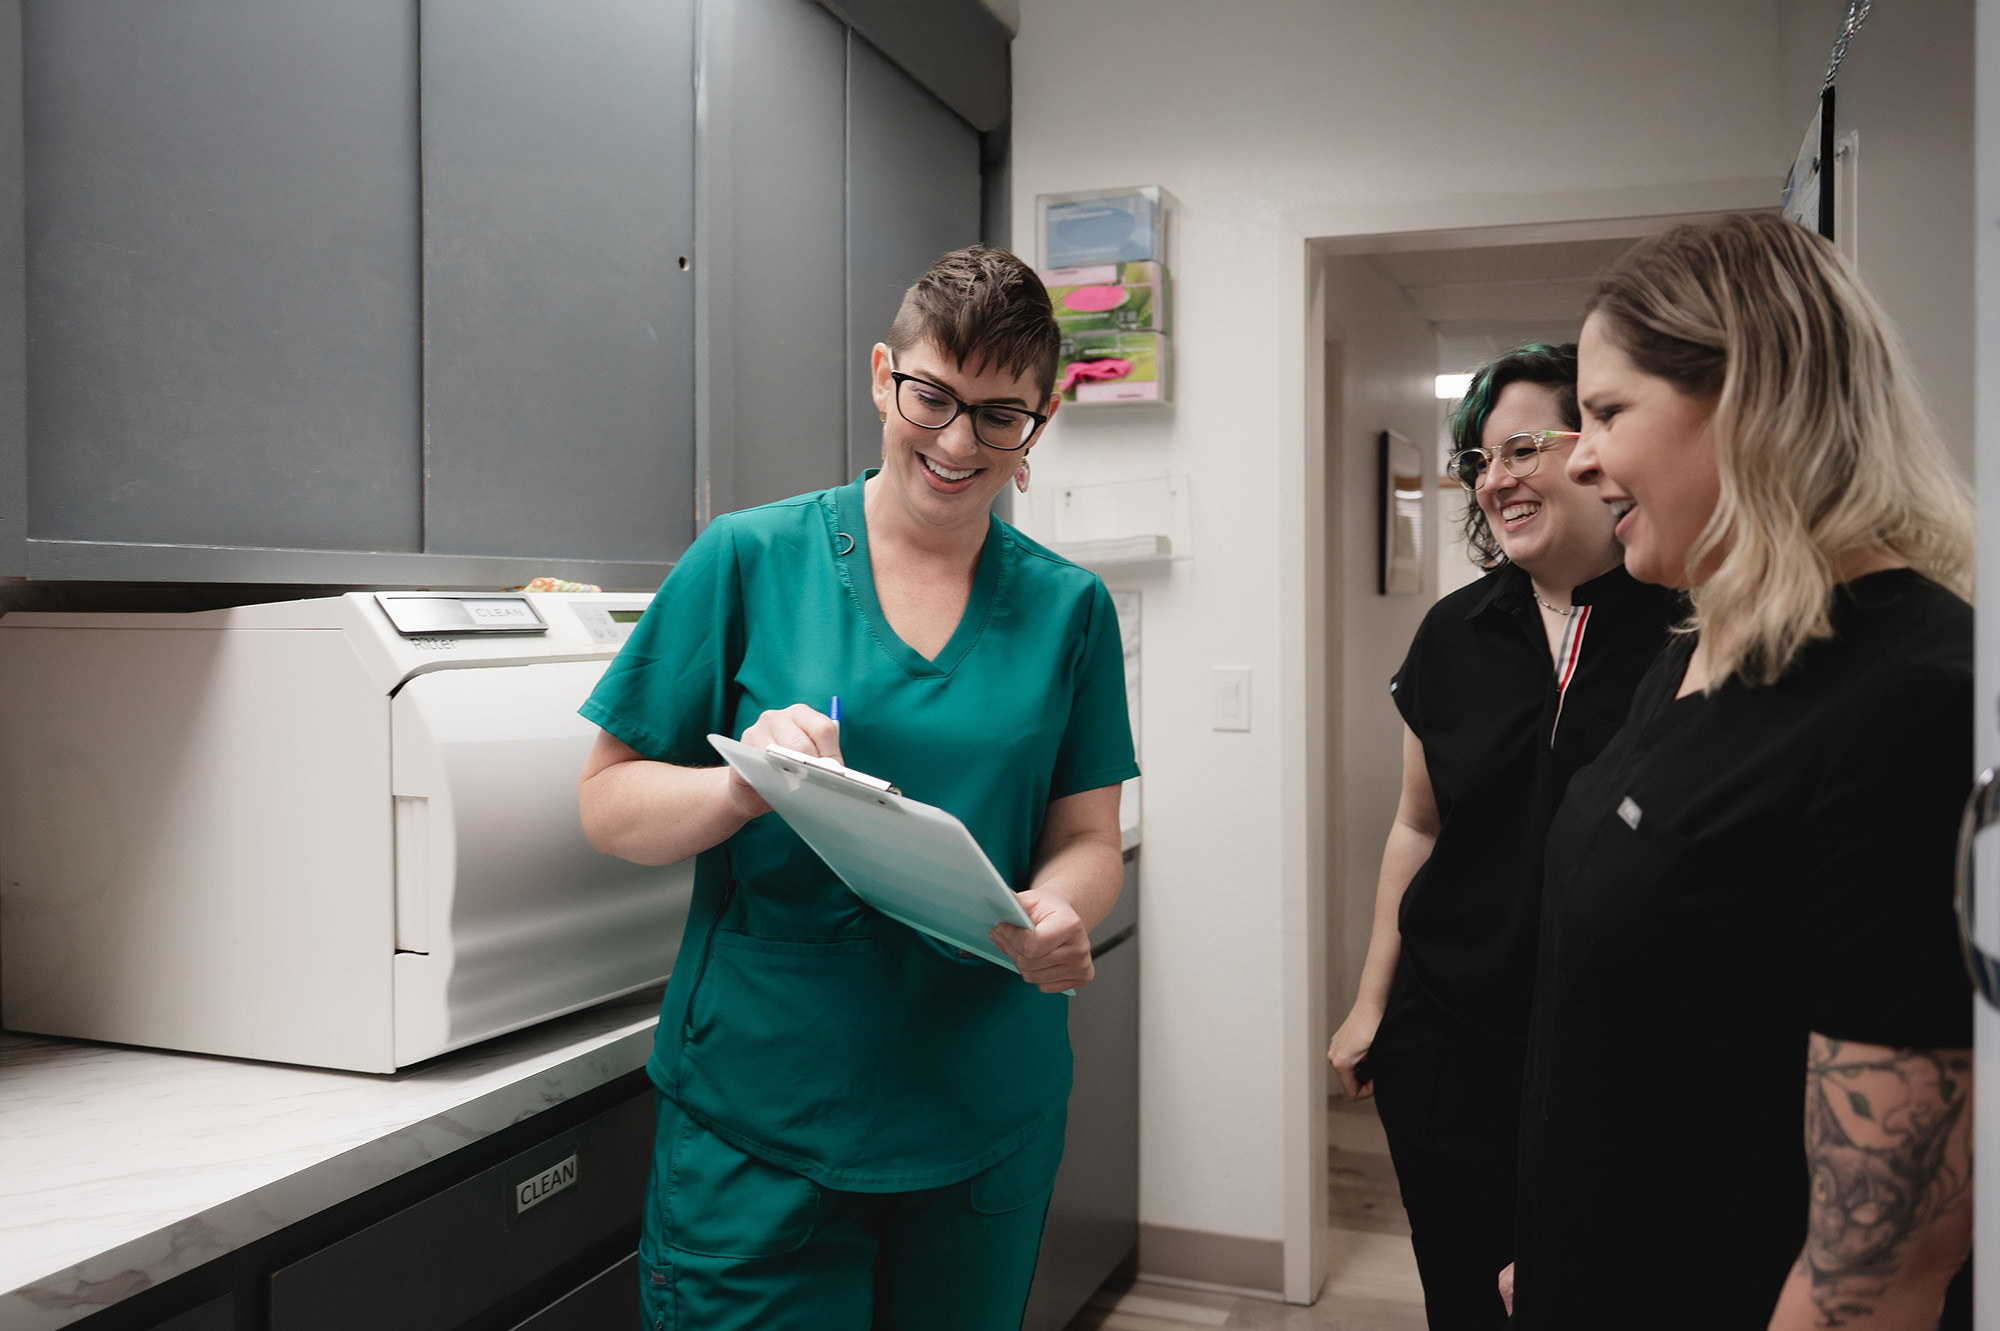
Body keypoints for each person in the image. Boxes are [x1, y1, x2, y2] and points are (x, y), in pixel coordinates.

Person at [575, 244, 1138, 1330]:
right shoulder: (747, 558)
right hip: (765, 1118)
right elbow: (607, 803)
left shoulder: (1069, 610)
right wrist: (739, 788)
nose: (956, 441)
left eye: (998, 415)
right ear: (883, 375)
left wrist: (1068, 905)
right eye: (931, 396)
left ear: (1040, 422)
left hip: (979, 1115)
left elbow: (1084, 835)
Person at [1512, 212, 1975, 1329]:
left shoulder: (1910, 698)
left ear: (1755, 400)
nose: (1577, 457)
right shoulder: (1697, 648)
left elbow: (1878, 1261)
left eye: (1607, 412)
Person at [1326, 344, 1679, 1328]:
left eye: (1521, 446)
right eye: (1478, 459)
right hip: (1447, 1051)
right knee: (1463, 1297)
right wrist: (1370, 1002)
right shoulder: (1451, 634)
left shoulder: (1693, 625)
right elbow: (1415, 822)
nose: (1495, 479)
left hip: (1610, 1061)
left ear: (1600, 450)